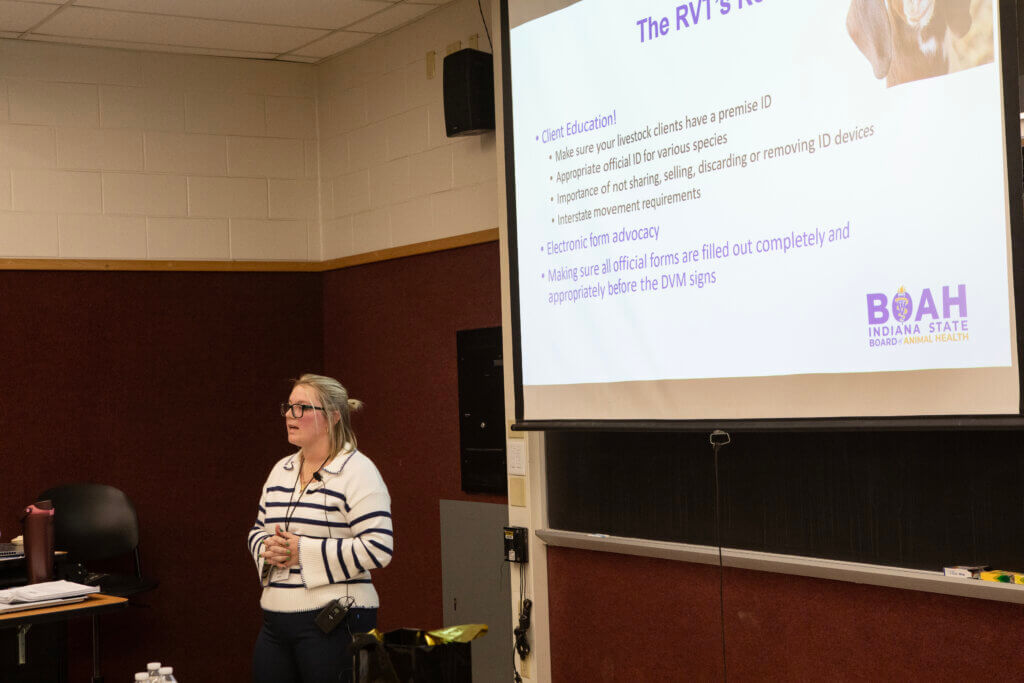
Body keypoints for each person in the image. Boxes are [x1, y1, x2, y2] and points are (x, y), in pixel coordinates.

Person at [249, 374, 393, 683]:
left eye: (302, 407)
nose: (290, 415)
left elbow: (378, 548)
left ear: (332, 417)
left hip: (334, 620)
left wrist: (302, 551)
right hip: (275, 621)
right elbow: (258, 531)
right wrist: (267, 548)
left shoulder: (357, 471)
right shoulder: (281, 470)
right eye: (288, 406)